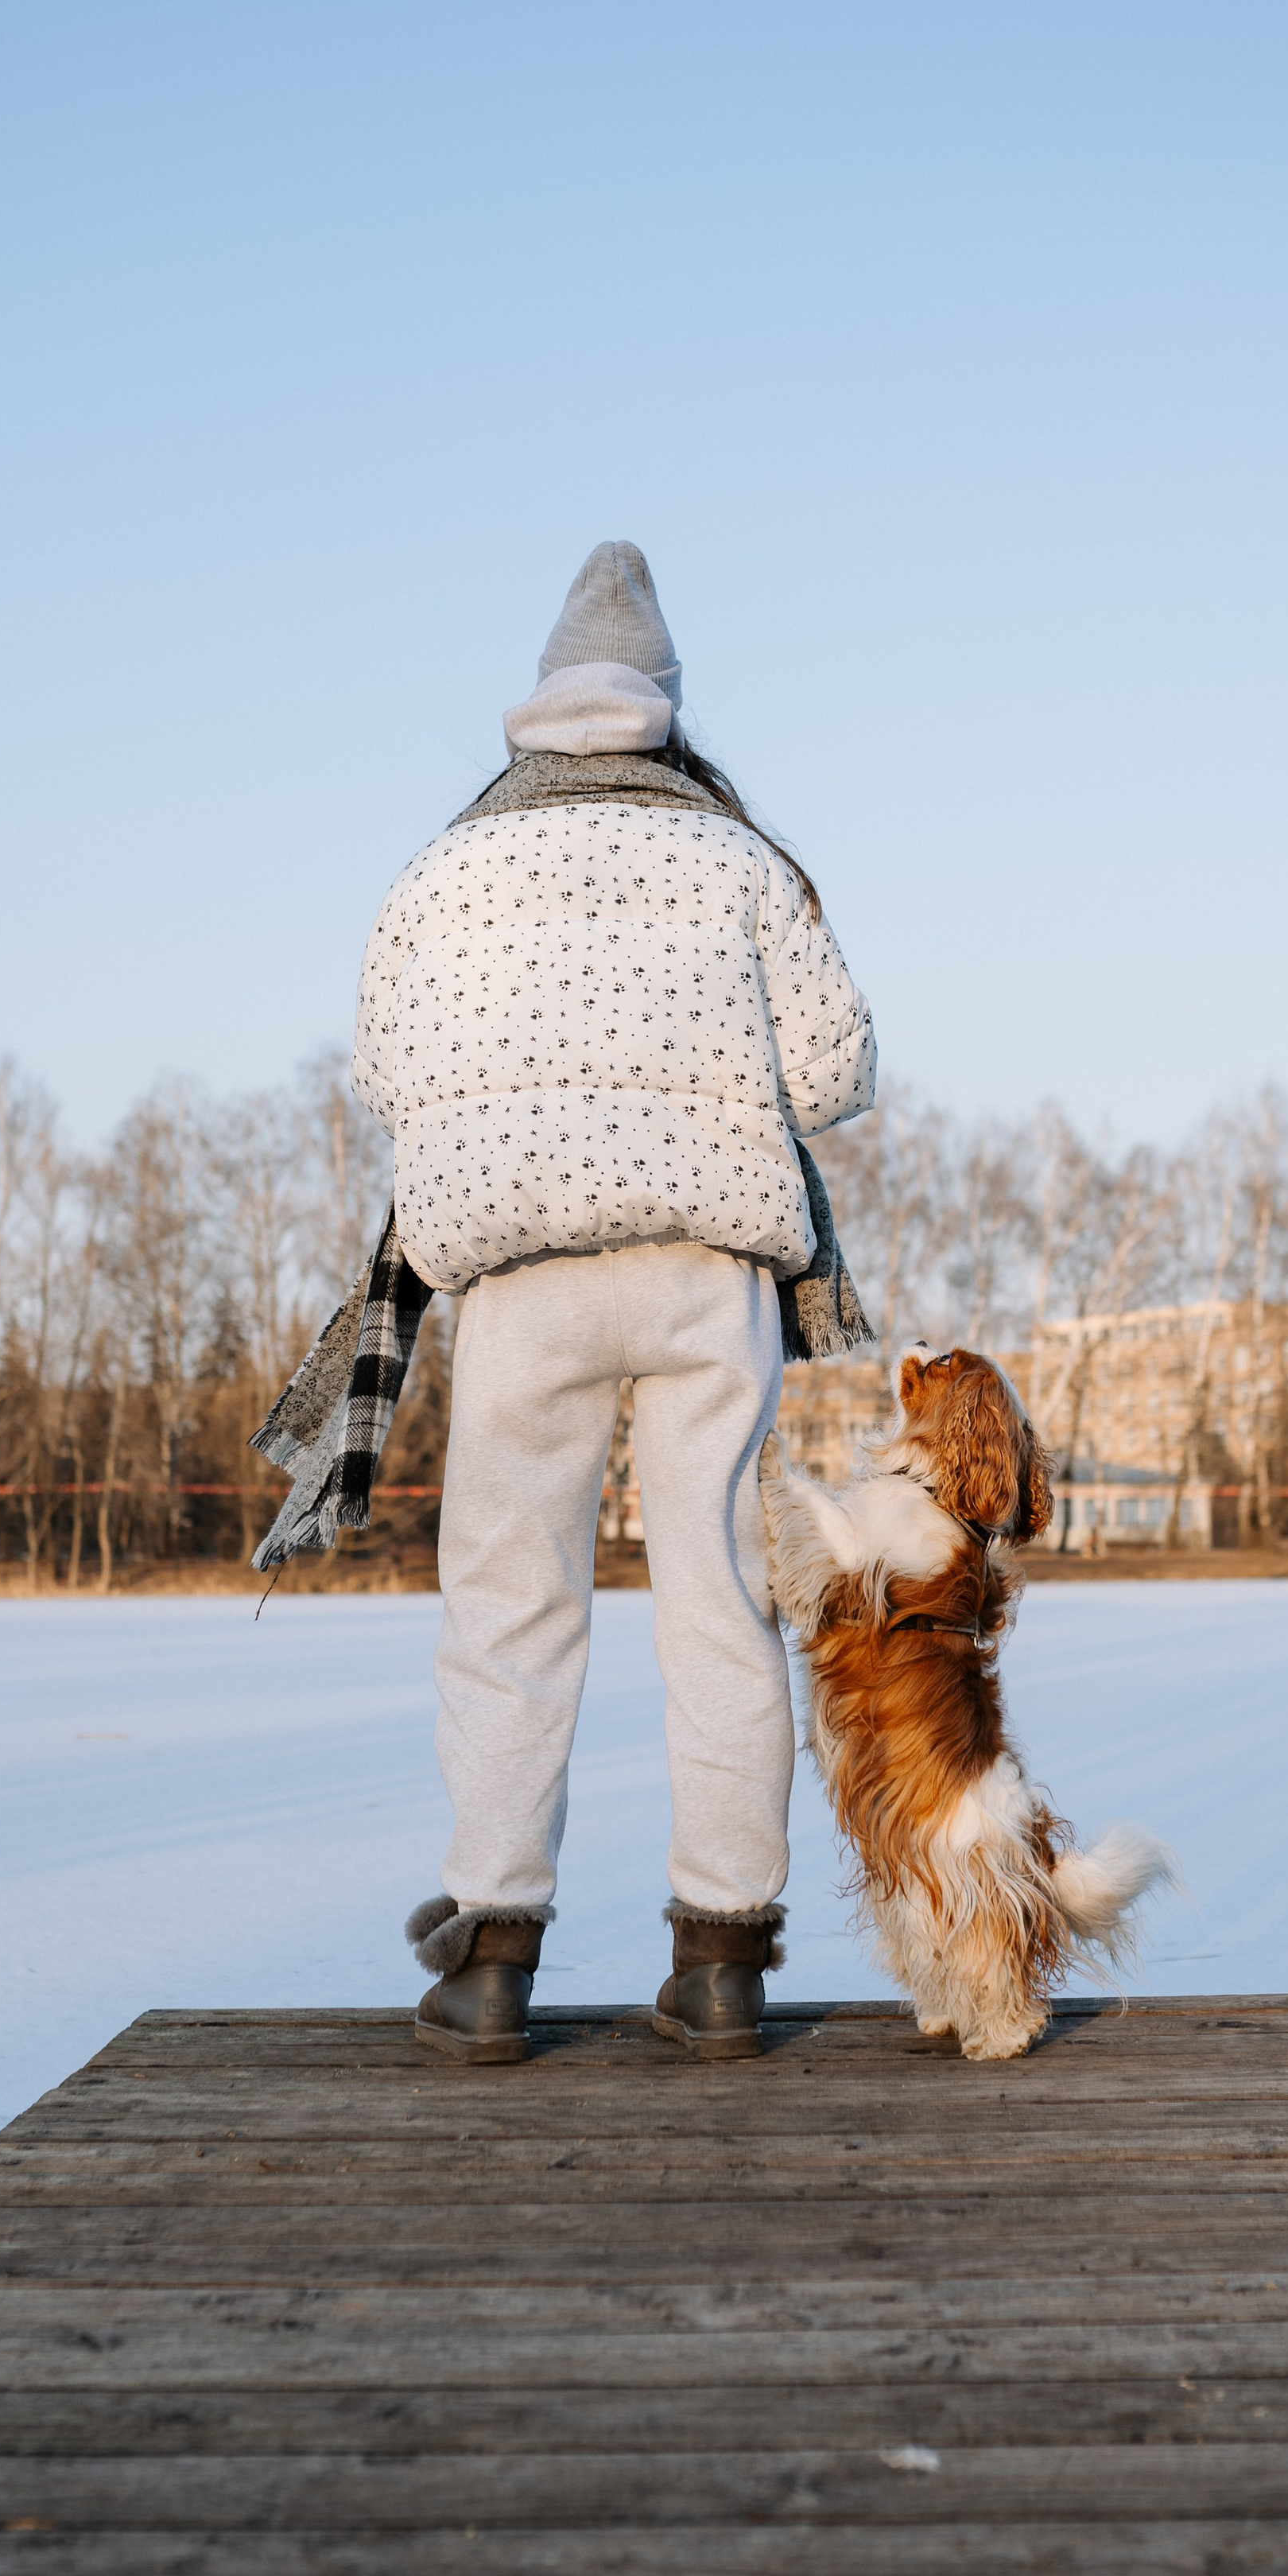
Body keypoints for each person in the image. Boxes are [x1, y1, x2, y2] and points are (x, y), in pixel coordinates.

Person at [351, 542, 876, 2063]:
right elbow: (835, 1074)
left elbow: (390, 1078)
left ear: (536, 708)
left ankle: (494, 1952)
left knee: (510, 1603)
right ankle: (721, 1961)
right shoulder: (745, 856)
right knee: (718, 1599)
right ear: (663, 708)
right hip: (704, 1273)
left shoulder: (439, 870)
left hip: (520, 1278)